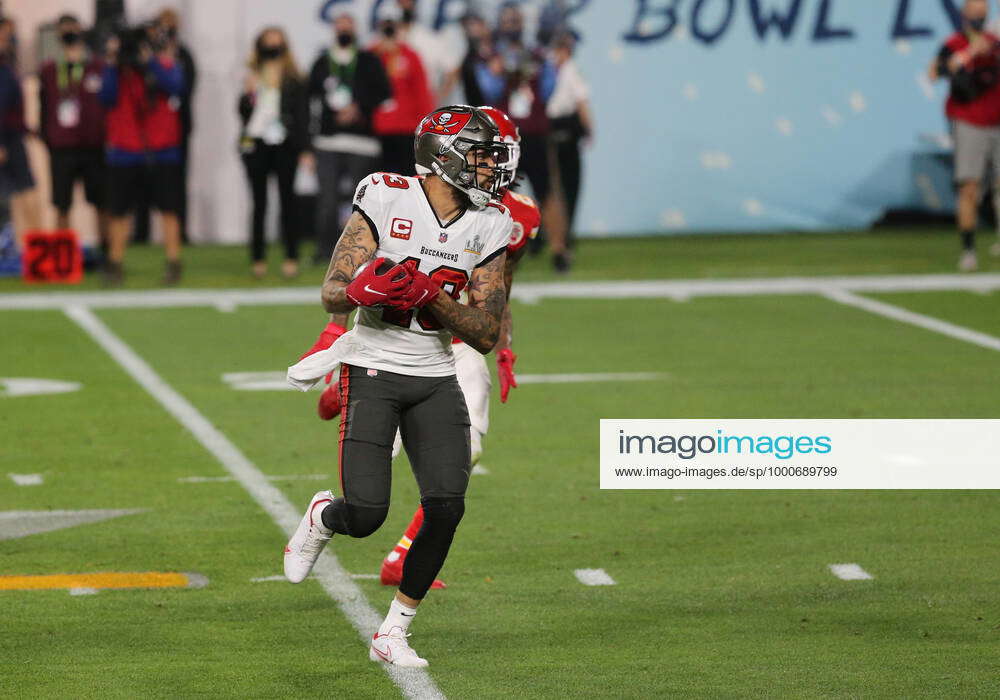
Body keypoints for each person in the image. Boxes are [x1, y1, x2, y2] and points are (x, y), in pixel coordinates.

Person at [283, 105, 514, 667]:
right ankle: (323, 517)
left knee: (447, 505)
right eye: (481, 156)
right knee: (365, 514)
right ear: (444, 157)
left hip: (435, 375)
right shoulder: (385, 194)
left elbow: (485, 331)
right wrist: (372, 289)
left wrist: (427, 295)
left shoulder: (491, 224)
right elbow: (333, 291)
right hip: (375, 367)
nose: (491, 169)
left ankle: (394, 631)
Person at [378, 105, 539, 588]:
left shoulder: (519, 216)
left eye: (499, 156)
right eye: (487, 156)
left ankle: (402, 556)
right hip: (403, 332)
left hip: (461, 339)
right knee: (376, 457)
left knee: (465, 446)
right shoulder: (425, 195)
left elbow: (500, 290)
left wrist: (505, 344)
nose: (495, 166)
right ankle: (344, 389)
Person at [476, 2, 568, 272]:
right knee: (496, 195)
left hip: (536, 133)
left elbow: (549, 90)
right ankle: (491, 251)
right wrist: (498, 70)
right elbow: (489, 91)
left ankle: (559, 250)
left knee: (547, 192)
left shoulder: (537, 56)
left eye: (515, 21)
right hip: (505, 138)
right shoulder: (493, 57)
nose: (512, 26)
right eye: (508, 21)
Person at [99, 26, 186, 285]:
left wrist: (150, 63)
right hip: (124, 150)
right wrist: (114, 63)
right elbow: (105, 97)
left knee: (169, 209)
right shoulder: (116, 71)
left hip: (162, 150)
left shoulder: (163, 65)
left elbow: (177, 87)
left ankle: (173, 262)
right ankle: (115, 263)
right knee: (119, 211)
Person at [306, 11, 391, 264]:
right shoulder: (322, 62)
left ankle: (362, 251)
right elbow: (309, 99)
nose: (344, 29)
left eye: (348, 25)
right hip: (328, 141)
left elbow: (384, 93)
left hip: (362, 142)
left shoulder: (369, 61)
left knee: (363, 203)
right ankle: (325, 251)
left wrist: (359, 108)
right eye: (339, 25)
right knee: (327, 200)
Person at [929, 0, 1000, 271]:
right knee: (969, 187)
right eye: (975, 14)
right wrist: (971, 51)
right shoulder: (955, 43)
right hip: (970, 122)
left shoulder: (995, 42)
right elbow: (937, 71)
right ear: (964, 15)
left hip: (997, 120)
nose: (979, 19)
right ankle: (969, 250)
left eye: (983, 14)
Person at [238, 27, 308, 279]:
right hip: (257, 144)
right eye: (268, 44)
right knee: (259, 203)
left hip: (284, 145)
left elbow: (301, 116)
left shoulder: (294, 78)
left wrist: (305, 149)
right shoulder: (252, 76)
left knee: (288, 202)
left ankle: (291, 256)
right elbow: (244, 114)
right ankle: (258, 258)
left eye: (276, 44)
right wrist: (249, 94)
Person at [38, 14, 108, 248]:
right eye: (65, 30)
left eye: (73, 29)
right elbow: (44, 108)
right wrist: (48, 138)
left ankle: (106, 252)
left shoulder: (97, 66)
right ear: (58, 35)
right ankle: (62, 254)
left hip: (93, 145)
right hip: (62, 147)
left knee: (101, 201)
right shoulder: (49, 70)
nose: (70, 34)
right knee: (61, 204)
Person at [370, 3, 434, 176]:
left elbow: (422, 93)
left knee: (408, 178)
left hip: (407, 129)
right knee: (379, 181)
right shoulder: (371, 55)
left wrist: (426, 129)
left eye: (393, 25)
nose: (389, 30)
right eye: (386, 25)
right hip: (377, 129)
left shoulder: (411, 55)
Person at [547, 31, 593, 251]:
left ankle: (563, 232)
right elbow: (582, 103)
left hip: (559, 127)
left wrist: (587, 128)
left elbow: (581, 103)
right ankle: (561, 232)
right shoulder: (564, 72)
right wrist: (589, 129)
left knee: (562, 184)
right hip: (558, 127)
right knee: (565, 184)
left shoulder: (564, 72)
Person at [0, 17, 42, 246]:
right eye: (4, 34)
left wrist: (28, 130)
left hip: (13, 136)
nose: (8, 39)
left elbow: (11, 108)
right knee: (22, 192)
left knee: (25, 191)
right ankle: (32, 246)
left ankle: (34, 247)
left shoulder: (7, 66)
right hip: (6, 139)